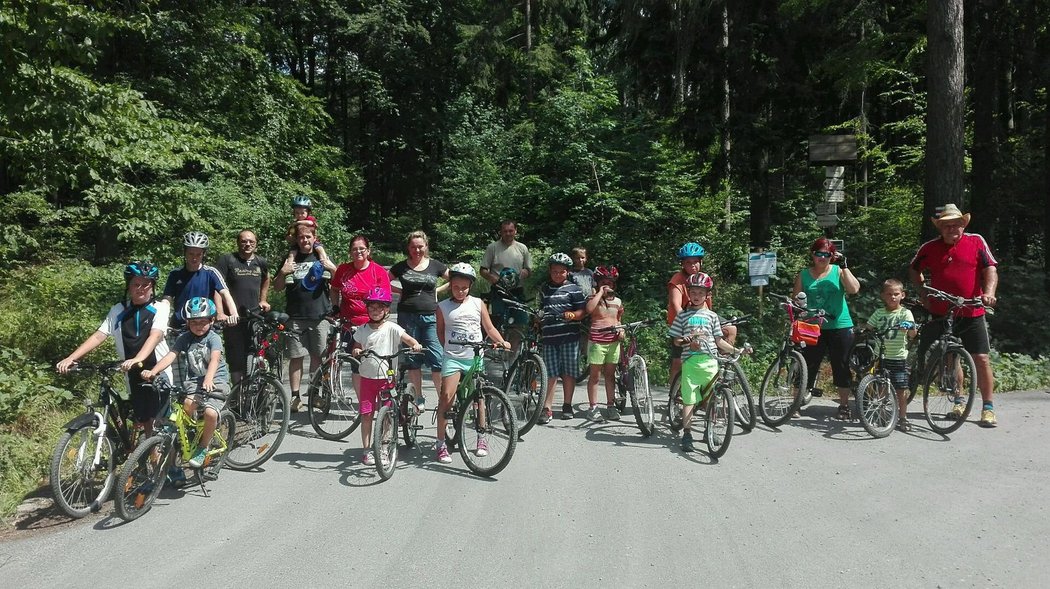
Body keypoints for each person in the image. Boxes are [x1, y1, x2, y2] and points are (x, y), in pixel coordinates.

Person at [56, 261, 172, 437]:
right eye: (136, 284)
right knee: (142, 420)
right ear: (129, 285)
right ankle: (141, 459)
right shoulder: (119, 309)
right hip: (131, 372)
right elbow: (99, 335)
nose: (141, 288)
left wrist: (138, 359)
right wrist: (72, 358)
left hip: (157, 370)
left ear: (153, 286)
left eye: (146, 284)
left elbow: (155, 336)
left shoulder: (160, 308)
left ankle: (167, 464)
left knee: (158, 425)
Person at [909, 203, 999, 427]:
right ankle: (958, 401)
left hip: (971, 310)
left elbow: (990, 269)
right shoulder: (929, 248)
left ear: (963, 225)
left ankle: (988, 407)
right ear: (940, 228)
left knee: (981, 358)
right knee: (950, 357)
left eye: (956, 225)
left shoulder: (976, 241)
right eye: (947, 226)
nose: (952, 229)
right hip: (941, 311)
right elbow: (914, 269)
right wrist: (922, 293)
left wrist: (988, 293)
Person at [435, 263, 509, 464]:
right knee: (447, 397)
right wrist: (450, 349)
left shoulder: (478, 303)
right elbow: (441, 333)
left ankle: (481, 438)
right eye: (457, 287)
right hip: (453, 357)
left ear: (470, 286)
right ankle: (441, 443)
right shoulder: (442, 307)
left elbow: (489, 328)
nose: (460, 291)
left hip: (474, 357)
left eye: (464, 287)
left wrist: (501, 341)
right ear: (450, 285)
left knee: (480, 397)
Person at [141, 297, 229, 468]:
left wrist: (210, 378)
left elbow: (214, 359)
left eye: (203, 322)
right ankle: (191, 435)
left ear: (211, 321)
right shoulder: (184, 338)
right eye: (194, 322)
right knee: (188, 405)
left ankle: (203, 447)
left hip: (216, 380)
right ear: (187, 322)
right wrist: (153, 371)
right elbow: (171, 355)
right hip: (195, 381)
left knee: (211, 413)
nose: (198, 326)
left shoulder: (213, 338)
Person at [668, 272, 744, 452]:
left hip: (711, 362)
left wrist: (736, 350)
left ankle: (708, 430)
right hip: (691, 363)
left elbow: (718, 341)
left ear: (707, 295)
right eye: (693, 292)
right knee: (689, 400)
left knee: (712, 400)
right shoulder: (682, 316)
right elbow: (676, 340)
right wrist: (686, 341)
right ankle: (687, 434)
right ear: (688, 293)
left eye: (701, 293)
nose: (696, 296)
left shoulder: (712, 316)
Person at [351, 286, 423, 466]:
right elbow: (356, 347)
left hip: (387, 379)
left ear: (386, 310)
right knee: (366, 415)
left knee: (388, 414)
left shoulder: (392, 328)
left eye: (379, 308)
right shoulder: (363, 329)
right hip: (367, 379)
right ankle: (367, 450)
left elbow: (408, 339)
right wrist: (357, 350)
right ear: (367, 309)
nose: (375, 311)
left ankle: (384, 446)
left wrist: (415, 344)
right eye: (372, 308)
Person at [792, 237, 860, 420]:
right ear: (812, 255)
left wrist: (845, 266)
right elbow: (796, 300)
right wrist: (798, 311)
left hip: (840, 324)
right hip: (813, 326)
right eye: (818, 254)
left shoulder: (838, 271)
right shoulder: (804, 274)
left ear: (832, 256)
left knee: (841, 365)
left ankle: (844, 405)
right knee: (807, 364)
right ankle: (796, 403)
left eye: (827, 255)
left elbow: (854, 289)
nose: (822, 258)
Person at [273, 223, 332, 412]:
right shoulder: (290, 258)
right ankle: (296, 397)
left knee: (318, 356)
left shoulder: (321, 257)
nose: (304, 240)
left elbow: (338, 280)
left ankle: (314, 394)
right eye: (301, 237)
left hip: (319, 316)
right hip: (295, 316)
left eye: (308, 237)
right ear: (296, 240)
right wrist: (283, 272)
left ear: (314, 238)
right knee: (296, 357)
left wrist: (332, 267)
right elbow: (278, 287)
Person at [389, 230, 449, 399]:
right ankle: (419, 397)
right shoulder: (400, 266)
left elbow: (455, 279)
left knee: (437, 359)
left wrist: (438, 289)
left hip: (431, 317)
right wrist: (398, 291)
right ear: (408, 248)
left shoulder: (435, 265)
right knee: (413, 360)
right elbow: (383, 280)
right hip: (407, 318)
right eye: (413, 247)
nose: (417, 250)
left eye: (420, 247)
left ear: (426, 246)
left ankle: (443, 400)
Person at [666, 242, 737, 382]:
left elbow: (707, 305)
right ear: (682, 264)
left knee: (731, 328)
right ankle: (674, 394)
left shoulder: (703, 278)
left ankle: (722, 359)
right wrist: (687, 323)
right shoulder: (677, 279)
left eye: (695, 262)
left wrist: (709, 322)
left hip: (702, 315)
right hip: (682, 318)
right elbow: (675, 304)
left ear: (701, 262)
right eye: (688, 262)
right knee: (678, 361)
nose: (692, 265)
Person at [332, 235, 392, 398]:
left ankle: (381, 401)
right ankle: (363, 404)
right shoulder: (343, 270)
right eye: (354, 249)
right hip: (349, 324)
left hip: (372, 325)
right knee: (356, 365)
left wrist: (381, 320)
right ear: (350, 252)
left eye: (361, 248)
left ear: (368, 251)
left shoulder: (378, 271)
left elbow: (386, 299)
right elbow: (334, 289)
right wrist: (335, 307)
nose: (358, 251)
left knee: (376, 364)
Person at [860, 279, 918, 432]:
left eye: (896, 294)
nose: (893, 297)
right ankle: (880, 412)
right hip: (882, 356)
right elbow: (869, 327)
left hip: (899, 357)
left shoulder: (905, 313)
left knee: (900, 389)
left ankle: (903, 417)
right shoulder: (879, 313)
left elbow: (913, 335)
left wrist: (909, 327)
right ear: (883, 296)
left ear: (902, 295)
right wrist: (863, 330)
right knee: (881, 386)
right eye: (889, 294)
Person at [215, 229, 270, 385]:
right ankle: (237, 395)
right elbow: (217, 287)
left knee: (255, 353)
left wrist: (263, 300)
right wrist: (220, 312)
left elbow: (267, 279)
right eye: (244, 241)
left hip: (255, 317)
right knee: (236, 358)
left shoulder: (260, 262)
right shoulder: (228, 260)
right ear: (238, 243)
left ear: (256, 244)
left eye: (251, 241)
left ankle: (254, 393)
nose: (247, 244)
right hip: (233, 319)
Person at [538, 253, 588, 423]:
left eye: (561, 272)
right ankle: (547, 408)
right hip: (549, 337)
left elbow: (583, 312)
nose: (557, 275)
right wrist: (538, 318)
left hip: (569, 337)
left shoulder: (574, 289)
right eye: (554, 271)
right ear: (550, 271)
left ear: (567, 272)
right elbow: (541, 309)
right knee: (550, 374)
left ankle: (567, 405)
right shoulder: (545, 289)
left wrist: (573, 315)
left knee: (569, 372)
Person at [480, 220, 532, 346]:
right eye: (505, 231)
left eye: (511, 231)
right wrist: (493, 278)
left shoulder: (522, 248)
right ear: (501, 232)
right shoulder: (492, 247)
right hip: (499, 291)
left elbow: (529, 269)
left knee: (519, 322)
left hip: (517, 291)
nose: (508, 234)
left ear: (515, 231)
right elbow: (483, 270)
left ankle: (513, 353)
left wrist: (525, 272)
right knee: (499, 323)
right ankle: (498, 351)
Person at [584, 265, 624, 422]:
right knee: (594, 376)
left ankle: (610, 405)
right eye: (604, 282)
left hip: (613, 342)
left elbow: (619, 319)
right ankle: (593, 407)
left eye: (610, 282)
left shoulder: (618, 301)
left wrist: (622, 331)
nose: (608, 285)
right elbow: (588, 309)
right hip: (597, 342)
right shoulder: (594, 299)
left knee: (610, 375)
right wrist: (600, 292)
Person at [285, 195, 336, 274]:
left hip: (314, 243)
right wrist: (291, 238)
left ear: (308, 212)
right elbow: (288, 236)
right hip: (298, 243)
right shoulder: (293, 225)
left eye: (302, 213)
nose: (300, 215)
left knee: (321, 251)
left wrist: (298, 223)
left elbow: (311, 223)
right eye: (297, 213)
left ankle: (326, 268)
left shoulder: (309, 219)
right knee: (291, 255)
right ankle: (289, 273)